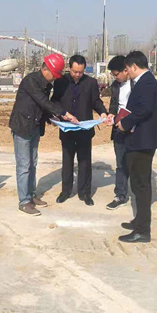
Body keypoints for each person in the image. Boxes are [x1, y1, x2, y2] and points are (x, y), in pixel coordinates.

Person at [9, 54, 78, 216]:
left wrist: (52, 118)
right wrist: (64, 113)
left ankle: (31, 195)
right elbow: (43, 101)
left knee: (32, 163)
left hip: (34, 126)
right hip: (22, 127)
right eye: (54, 74)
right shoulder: (31, 81)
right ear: (46, 69)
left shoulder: (46, 84)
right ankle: (24, 201)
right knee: (24, 165)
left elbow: (42, 107)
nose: (55, 78)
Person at [116, 51, 157, 243]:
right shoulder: (144, 82)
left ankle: (143, 231)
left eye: (127, 69)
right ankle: (139, 221)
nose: (126, 72)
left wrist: (125, 123)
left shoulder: (147, 82)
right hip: (138, 139)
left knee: (141, 185)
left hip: (143, 142)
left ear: (134, 67)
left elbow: (144, 109)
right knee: (137, 184)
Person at [51, 55, 108, 206]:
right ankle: (66, 191)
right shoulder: (60, 82)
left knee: (85, 162)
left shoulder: (91, 83)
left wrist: (103, 112)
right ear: (69, 68)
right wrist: (59, 114)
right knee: (67, 161)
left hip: (84, 129)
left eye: (80, 72)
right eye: (75, 71)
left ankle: (85, 193)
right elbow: (54, 100)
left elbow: (96, 101)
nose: (77, 75)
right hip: (67, 128)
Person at [106, 55, 132, 210]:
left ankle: (140, 194)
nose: (115, 77)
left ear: (125, 70)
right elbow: (114, 103)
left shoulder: (137, 84)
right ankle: (120, 195)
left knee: (136, 164)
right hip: (119, 129)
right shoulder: (115, 85)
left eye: (116, 74)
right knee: (121, 164)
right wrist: (111, 114)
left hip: (135, 129)